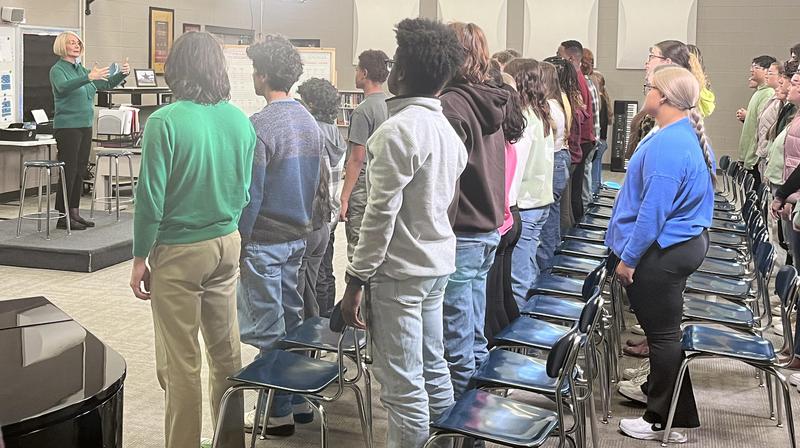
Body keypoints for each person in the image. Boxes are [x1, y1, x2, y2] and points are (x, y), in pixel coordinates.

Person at [339, 17, 467, 448]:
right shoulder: (447, 130)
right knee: (434, 369)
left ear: (402, 74)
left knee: (403, 390)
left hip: (400, 275)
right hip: (435, 266)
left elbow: (379, 217)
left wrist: (357, 277)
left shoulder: (397, 131)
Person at [129, 31, 255, 448]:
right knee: (226, 351)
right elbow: (245, 191)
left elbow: (150, 199)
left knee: (181, 361)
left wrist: (139, 258)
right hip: (227, 242)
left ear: (176, 69)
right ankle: (229, 441)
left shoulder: (166, 121)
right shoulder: (239, 120)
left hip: (180, 250)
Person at [608, 65, 715, 442]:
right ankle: (670, 415)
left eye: (649, 86)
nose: (645, 91)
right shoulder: (678, 132)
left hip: (662, 251)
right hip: (676, 245)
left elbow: (653, 212)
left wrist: (629, 258)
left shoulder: (671, 144)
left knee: (664, 336)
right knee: (664, 335)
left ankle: (663, 420)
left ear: (665, 97)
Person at [237, 34, 323, 436]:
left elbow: (250, 196)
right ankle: (299, 397)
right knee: (291, 321)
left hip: (265, 240)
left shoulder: (259, 126)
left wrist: (241, 240)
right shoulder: (310, 122)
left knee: (266, 328)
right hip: (299, 237)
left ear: (263, 75)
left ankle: (277, 411)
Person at [439, 22, 508, 398]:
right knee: (473, 331)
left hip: (463, 232)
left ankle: (465, 429)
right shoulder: (489, 98)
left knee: (456, 340)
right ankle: (479, 409)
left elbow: (447, 180)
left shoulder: (452, 104)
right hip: (486, 229)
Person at [49, 31, 129, 230]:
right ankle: (62, 215)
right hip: (67, 127)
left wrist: (122, 74)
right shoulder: (58, 70)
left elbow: (107, 83)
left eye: (78, 43)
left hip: (85, 125)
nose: (76, 46)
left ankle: (74, 212)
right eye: (71, 43)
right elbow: (63, 88)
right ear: (62, 46)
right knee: (68, 170)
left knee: (79, 169)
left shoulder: (81, 69)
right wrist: (88, 77)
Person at [506, 58, 556, 309]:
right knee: (528, 265)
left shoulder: (522, 117)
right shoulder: (541, 113)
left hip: (525, 202)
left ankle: (520, 335)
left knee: (518, 274)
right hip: (540, 199)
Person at [484, 62, 527, 345]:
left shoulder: (495, 142)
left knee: (490, 306)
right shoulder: (509, 141)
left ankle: (498, 359)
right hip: (510, 217)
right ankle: (510, 346)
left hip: (500, 222)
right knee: (500, 297)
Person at [297, 77, 346, 318]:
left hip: (315, 216)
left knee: (307, 280)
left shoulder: (311, 133)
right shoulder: (336, 133)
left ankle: (313, 329)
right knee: (325, 271)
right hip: (332, 215)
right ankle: (327, 323)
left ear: (313, 104)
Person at [340, 49, 390, 261]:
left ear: (365, 73)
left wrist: (344, 198)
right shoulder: (391, 106)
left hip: (363, 187)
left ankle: (357, 294)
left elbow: (357, 158)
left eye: (357, 69)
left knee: (358, 248)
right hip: (385, 184)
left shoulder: (362, 111)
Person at [536, 61, 571, 273]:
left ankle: (545, 272)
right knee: (552, 220)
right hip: (560, 161)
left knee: (547, 225)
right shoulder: (559, 102)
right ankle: (551, 265)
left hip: (554, 162)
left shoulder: (549, 106)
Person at [764, 60, 798, 265]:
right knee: (788, 245)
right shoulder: (795, 114)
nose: (783, 86)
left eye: (793, 83)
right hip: (788, 190)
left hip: (792, 194)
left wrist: (787, 196)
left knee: (792, 250)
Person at [557, 40, 595, 221]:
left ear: (570, 58)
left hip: (579, 142)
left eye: (560, 56)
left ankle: (573, 232)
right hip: (583, 142)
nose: (558, 60)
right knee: (574, 193)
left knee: (572, 195)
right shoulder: (581, 78)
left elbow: (577, 117)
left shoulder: (575, 80)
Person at [545, 56, 579, 233]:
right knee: (557, 213)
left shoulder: (552, 104)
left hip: (558, 156)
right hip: (564, 155)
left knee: (553, 217)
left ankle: (552, 256)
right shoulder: (562, 98)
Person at [738, 55, 777, 189]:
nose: (751, 70)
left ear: (766, 71)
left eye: (756, 67)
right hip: (750, 154)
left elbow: (763, 126)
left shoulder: (768, 93)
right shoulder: (759, 92)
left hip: (755, 156)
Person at [582, 48, 612, 196]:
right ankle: (592, 195)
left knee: (591, 174)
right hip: (598, 139)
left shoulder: (593, 92)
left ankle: (592, 196)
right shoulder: (600, 96)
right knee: (592, 171)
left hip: (595, 139)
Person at [580, 50, 601, 208]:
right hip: (594, 136)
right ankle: (586, 203)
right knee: (586, 172)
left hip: (588, 137)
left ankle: (585, 206)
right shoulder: (591, 83)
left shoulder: (584, 83)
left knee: (583, 176)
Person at [756, 61, 785, 169]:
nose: (766, 75)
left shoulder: (781, 102)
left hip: (771, 156)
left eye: (770, 73)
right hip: (764, 154)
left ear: (781, 76)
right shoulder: (773, 98)